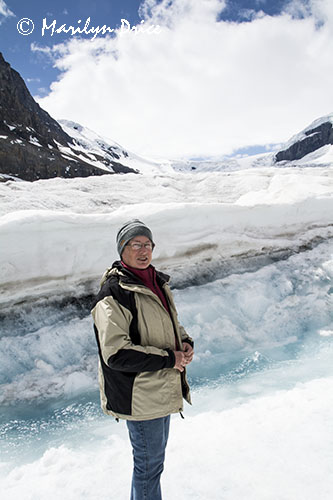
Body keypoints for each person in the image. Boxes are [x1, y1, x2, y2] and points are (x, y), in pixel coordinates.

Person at [91, 219, 194, 500]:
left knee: (153, 466)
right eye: (135, 244)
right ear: (122, 249)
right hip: (140, 395)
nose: (143, 250)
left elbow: (170, 323)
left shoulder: (155, 280)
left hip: (160, 389)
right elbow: (116, 353)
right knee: (148, 467)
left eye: (147, 244)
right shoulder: (114, 292)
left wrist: (184, 343)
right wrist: (168, 360)